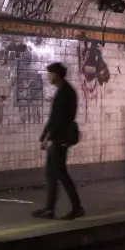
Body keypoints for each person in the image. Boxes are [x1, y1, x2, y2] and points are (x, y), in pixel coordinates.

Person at [33, 62, 84, 220]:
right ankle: (49, 209)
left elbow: (60, 119)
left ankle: (77, 208)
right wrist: (45, 135)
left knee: (60, 173)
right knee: (51, 173)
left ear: (55, 75)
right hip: (57, 137)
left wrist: (48, 137)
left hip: (61, 138)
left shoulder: (65, 93)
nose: (48, 76)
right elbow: (54, 117)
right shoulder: (63, 90)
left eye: (49, 73)